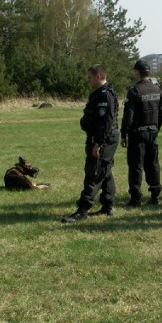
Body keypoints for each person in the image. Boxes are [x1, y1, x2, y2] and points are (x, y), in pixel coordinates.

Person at [61, 64, 120, 223]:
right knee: (105, 171)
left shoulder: (105, 95)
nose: (88, 81)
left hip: (103, 139)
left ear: (99, 76)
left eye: (90, 77)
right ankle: (107, 206)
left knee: (94, 172)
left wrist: (98, 143)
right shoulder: (99, 94)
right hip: (100, 137)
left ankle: (83, 209)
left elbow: (105, 123)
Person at [121, 59, 162, 206]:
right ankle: (155, 195)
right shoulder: (157, 90)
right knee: (153, 164)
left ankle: (135, 197)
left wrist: (124, 133)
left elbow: (129, 115)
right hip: (153, 132)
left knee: (136, 165)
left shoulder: (134, 91)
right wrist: (156, 128)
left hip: (138, 134)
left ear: (137, 72)